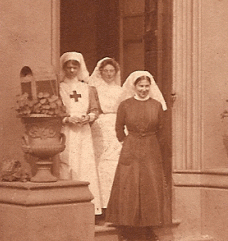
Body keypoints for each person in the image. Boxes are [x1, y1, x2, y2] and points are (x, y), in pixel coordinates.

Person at [106, 71, 169, 238]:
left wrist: (154, 145)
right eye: (141, 86)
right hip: (131, 147)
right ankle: (128, 226)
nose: (144, 89)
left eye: (147, 86)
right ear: (134, 86)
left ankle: (149, 226)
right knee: (130, 183)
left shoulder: (156, 105)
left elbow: (162, 130)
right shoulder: (125, 105)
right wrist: (127, 142)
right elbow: (119, 128)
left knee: (150, 185)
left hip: (151, 147)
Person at [59, 51, 102, 216]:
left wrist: (88, 117)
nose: (71, 70)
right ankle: (67, 208)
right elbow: (57, 111)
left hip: (84, 132)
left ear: (79, 68)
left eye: (74, 67)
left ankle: (89, 208)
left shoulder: (87, 88)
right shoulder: (60, 87)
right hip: (67, 131)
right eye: (68, 67)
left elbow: (95, 109)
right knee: (68, 163)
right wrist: (67, 119)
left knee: (85, 164)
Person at [89, 57, 123, 217]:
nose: (109, 74)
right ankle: (100, 205)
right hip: (100, 125)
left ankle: (114, 204)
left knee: (115, 163)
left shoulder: (120, 89)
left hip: (116, 125)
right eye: (106, 71)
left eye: (112, 71)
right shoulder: (94, 88)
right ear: (100, 72)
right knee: (101, 163)